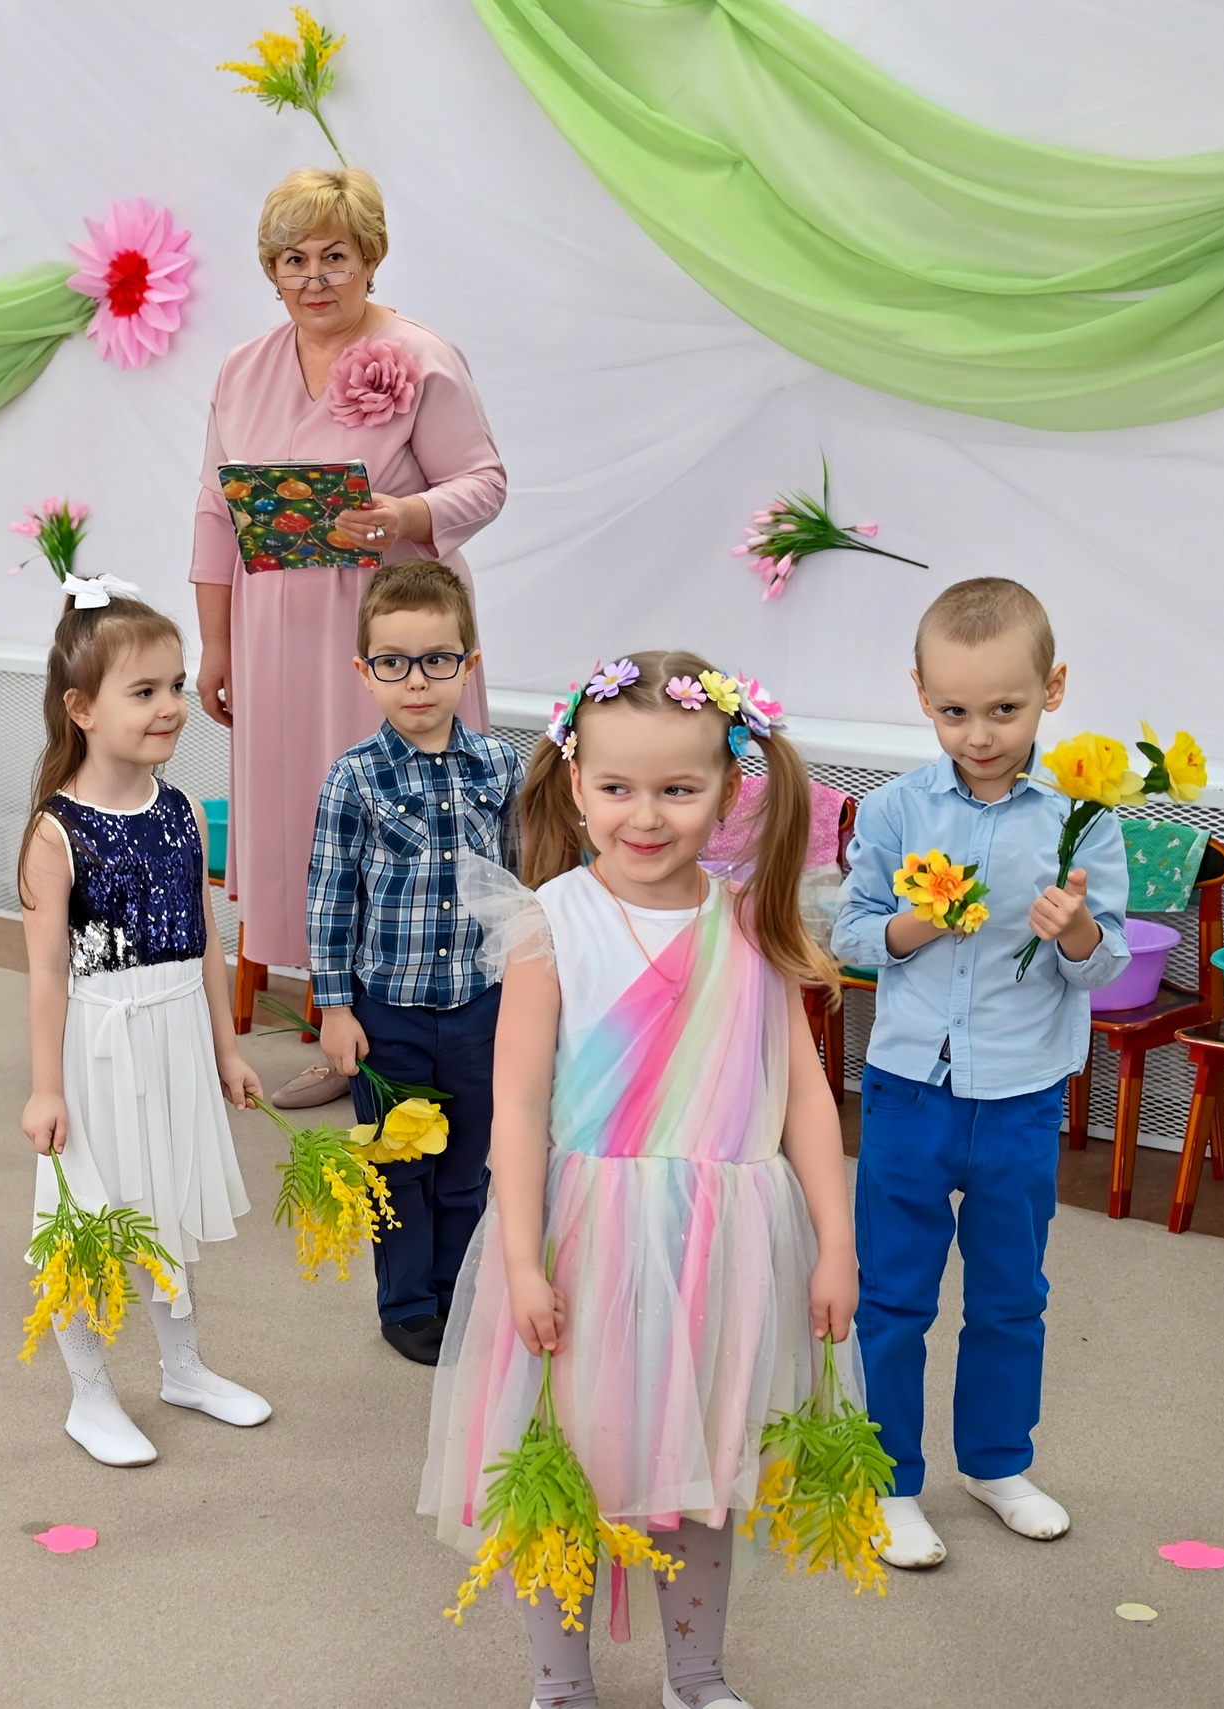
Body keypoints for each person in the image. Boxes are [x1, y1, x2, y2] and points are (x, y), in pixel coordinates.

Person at [422, 653, 858, 1709]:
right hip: (587, 1239)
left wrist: (836, 1242)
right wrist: (521, 1260)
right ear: (576, 783)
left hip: (728, 1244)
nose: (646, 815)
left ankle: (696, 1674)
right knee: (566, 1462)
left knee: (705, 1464)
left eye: (678, 787)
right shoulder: (551, 921)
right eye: (616, 786)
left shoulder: (753, 919)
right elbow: (517, 1106)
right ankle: (560, 1683)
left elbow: (803, 1094)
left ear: (730, 787)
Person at [189, 166, 507, 1111]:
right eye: (293, 260)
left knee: (403, 829)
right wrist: (216, 647)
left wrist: (404, 513)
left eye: (335, 256)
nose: (314, 277)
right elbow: (213, 512)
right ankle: (340, 1028)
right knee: (312, 828)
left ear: (371, 258)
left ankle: (433, 1031)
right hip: (274, 638)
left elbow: (485, 482)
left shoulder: (421, 357)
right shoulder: (241, 368)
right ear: (270, 269)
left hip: (390, 631)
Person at [833, 577, 1129, 1570]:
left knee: (1010, 1294)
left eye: (1004, 707)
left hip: (1021, 1094)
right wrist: (918, 922)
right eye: (955, 710)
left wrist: (1074, 930)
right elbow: (850, 931)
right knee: (894, 1296)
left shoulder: (1085, 821)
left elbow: (1105, 964)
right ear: (921, 694)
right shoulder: (895, 808)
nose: (980, 733)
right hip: (909, 1091)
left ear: (1052, 688)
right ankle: (888, 1481)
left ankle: (997, 1464)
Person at [17, 580, 270, 1468]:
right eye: (145, 691)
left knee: (168, 1200)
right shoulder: (56, 832)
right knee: (90, 1219)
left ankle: (184, 1368)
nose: (170, 707)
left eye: (176, 686)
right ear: (81, 708)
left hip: (175, 1040)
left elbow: (206, 940)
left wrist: (226, 1049)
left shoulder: (183, 810)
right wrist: (47, 1088)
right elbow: (47, 973)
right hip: (98, 1047)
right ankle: (89, 1393)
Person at [304, 560, 521, 1366]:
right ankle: (406, 1305)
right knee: (398, 1167)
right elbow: (330, 899)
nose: (417, 680)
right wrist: (335, 1009)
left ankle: (458, 1293)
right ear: (365, 672)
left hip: (478, 1006)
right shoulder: (354, 777)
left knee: (464, 1166)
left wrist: (526, 993)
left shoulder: (501, 766)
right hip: (386, 1011)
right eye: (393, 662)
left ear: (469, 665)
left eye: (437, 659)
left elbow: (519, 883)